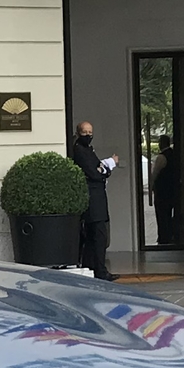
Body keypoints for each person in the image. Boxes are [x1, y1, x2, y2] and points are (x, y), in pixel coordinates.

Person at [69, 120, 117, 280]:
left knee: (94, 236)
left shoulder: (87, 149)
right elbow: (95, 172)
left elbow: (98, 168)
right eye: (85, 133)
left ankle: (92, 268)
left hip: (97, 198)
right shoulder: (80, 151)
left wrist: (102, 169)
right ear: (78, 133)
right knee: (98, 236)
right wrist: (104, 170)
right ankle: (100, 271)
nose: (89, 135)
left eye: (90, 132)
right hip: (93, 200)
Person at [150, 137, 182, 248]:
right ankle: (172, 235)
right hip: (173, 190)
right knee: (170, 214)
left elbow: (155, 174)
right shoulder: (175, 155)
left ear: (161, 144)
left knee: (162, 214)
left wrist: (151, 186)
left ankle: (163, 237)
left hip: (162, 191)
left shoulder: (161, 157)